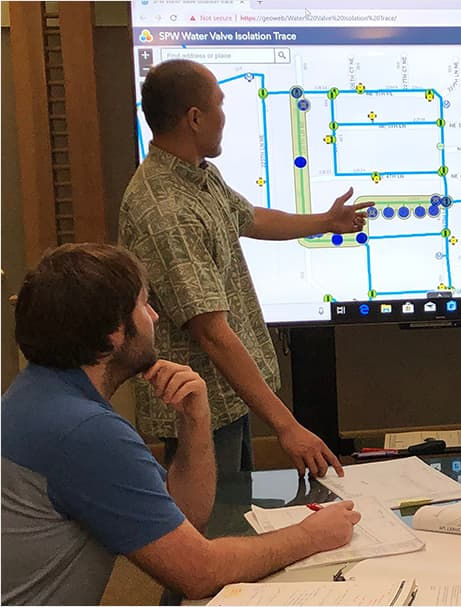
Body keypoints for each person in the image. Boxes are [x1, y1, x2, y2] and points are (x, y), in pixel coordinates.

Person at [1, 244, 362, 604]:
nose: (155, 316)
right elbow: (199, 574)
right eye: (143, 305)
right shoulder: (85, 433)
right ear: (114, 333)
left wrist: (195, 419)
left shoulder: (34, 395)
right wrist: (310, 536)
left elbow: (185, 516)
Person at [120, 59, 372, 477]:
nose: (225, 117)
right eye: (220, 105)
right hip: (197, 412)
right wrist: (287, 427)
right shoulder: (166, 209)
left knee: (237, 518)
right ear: (195, 118)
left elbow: (248, 217)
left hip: (227, 400)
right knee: (212, 528)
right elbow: (212, 334)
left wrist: (325, 222)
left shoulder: (200, 177)